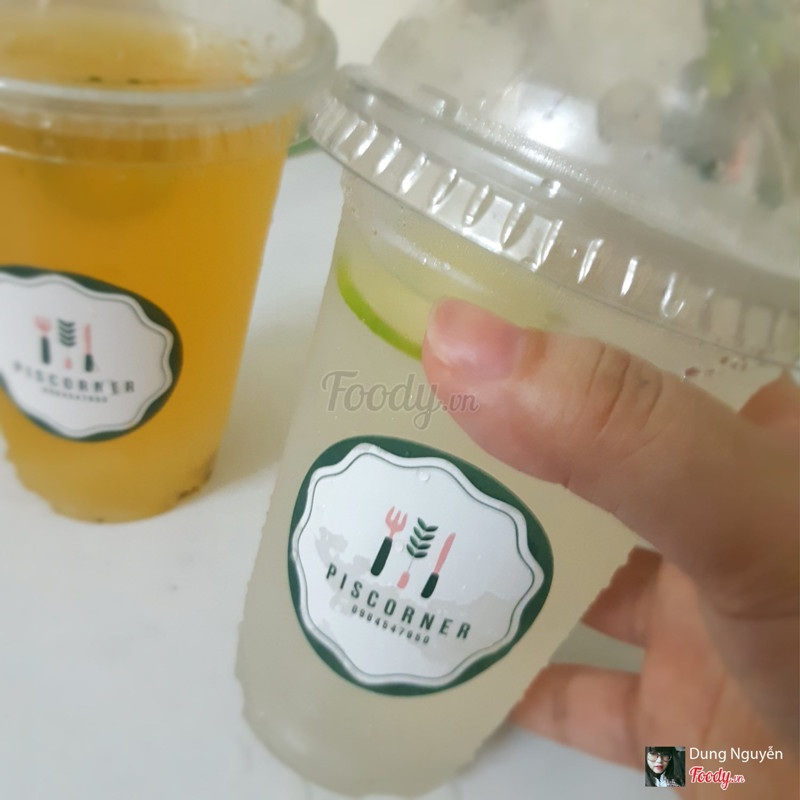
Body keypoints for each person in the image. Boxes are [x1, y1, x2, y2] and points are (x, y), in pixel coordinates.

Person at [422, 298, 799, 799]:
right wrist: (762, 783)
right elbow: (732, 773)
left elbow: (720, 772)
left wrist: (747, 779)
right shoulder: (739, 762)